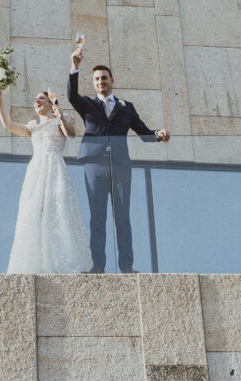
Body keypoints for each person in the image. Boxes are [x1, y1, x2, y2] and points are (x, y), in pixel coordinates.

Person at [68, 35, 170, 273]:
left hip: (121, 165)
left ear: (112, 80)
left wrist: (159, 133)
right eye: (96, 79)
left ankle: (126, 266)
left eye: (104, 78)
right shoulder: (87, 105)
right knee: (97, 218)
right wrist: (75, 67)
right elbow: (71, 96)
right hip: (94, 165)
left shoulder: (127, 106)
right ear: (93, 84)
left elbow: (143, 132)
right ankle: (98, 266)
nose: (101, 81)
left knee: (122, 217)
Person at [0, 87, 90, 274]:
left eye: (41, 99)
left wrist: (59, 114)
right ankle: (36, 261)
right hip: (36, 170)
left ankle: (61, 260)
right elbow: (8, 124)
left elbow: (70, 133)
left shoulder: (62, 119)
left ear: (50, 102)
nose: (37, 102)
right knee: (33, 212)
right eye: (35, 99)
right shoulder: (33, 126)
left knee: (57, 211)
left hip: (54, 166)